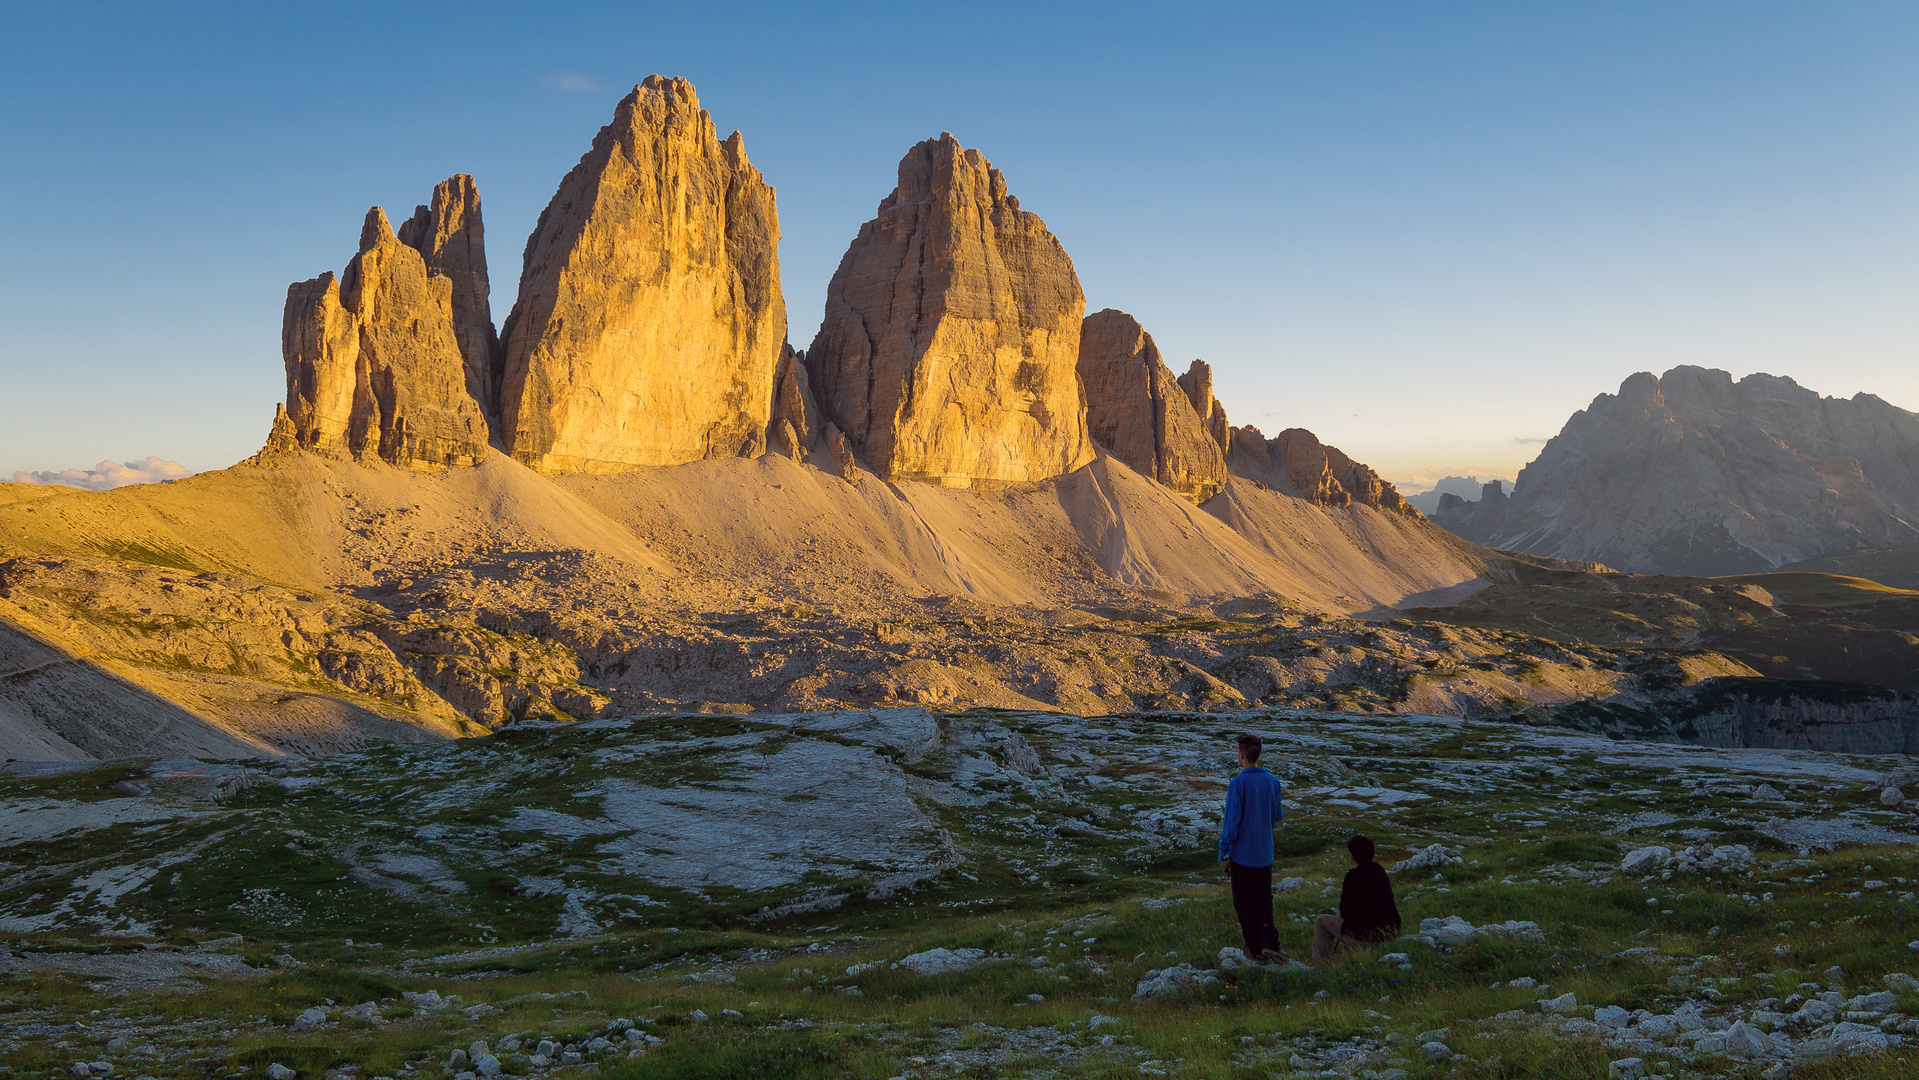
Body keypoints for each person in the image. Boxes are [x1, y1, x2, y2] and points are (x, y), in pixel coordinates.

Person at [1217, 733, 1285, 961]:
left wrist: (1223, 851)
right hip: (1265, 854)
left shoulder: (1238, 784)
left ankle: (1255, 951)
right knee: (1265, 900)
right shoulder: (1273, 781)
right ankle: (1270, 944)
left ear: (1242, 754)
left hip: (1243, 857)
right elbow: (1278, 815)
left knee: (1245, 904)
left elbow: (1231, 823)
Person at [1313, 834, 1402, 962]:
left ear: (1353, 856)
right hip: (1390, 932)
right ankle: (1348, 958)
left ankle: (1321, 965)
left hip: (1367, 936)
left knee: (1321, 921)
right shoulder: (1379, 870)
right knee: (1344, 918)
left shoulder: (1352, 877)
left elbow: (1345, 910)